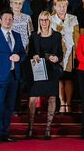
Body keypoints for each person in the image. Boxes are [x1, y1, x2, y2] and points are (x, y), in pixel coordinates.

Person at [0, 12, 27, 144]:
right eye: (5, 19)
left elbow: (23, 54)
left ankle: (5, 132)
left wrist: (19, 57)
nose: (8, 21)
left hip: (14, 76)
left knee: (10, 106)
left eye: (10, 19)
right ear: (0, 20)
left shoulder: (17, 36)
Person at [26, 11, 63, 140]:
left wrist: (56, 58)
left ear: (50, 21)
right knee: (32, 99)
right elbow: (30, 53)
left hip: (52, 70)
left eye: (46, 20)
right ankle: (30, 127)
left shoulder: (57, 35)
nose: (44, 22)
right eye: (42, 20)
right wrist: (34, 56)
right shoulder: (34, 36)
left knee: (52, 98)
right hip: (38, 70)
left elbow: (60, 54)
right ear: (39, 21)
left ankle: (48, 128)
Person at [50, 0, 79, 113]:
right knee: (59, 78)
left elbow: (76, 36)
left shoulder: (73, 18)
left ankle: (69, 103)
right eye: (59, 6)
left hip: (70, 50)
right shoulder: (51, 19)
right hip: (57, 52)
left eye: (64, 6)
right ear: (55, 7)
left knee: (68, 78)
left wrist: (76, 52)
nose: (62, 8)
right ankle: (62, 103)